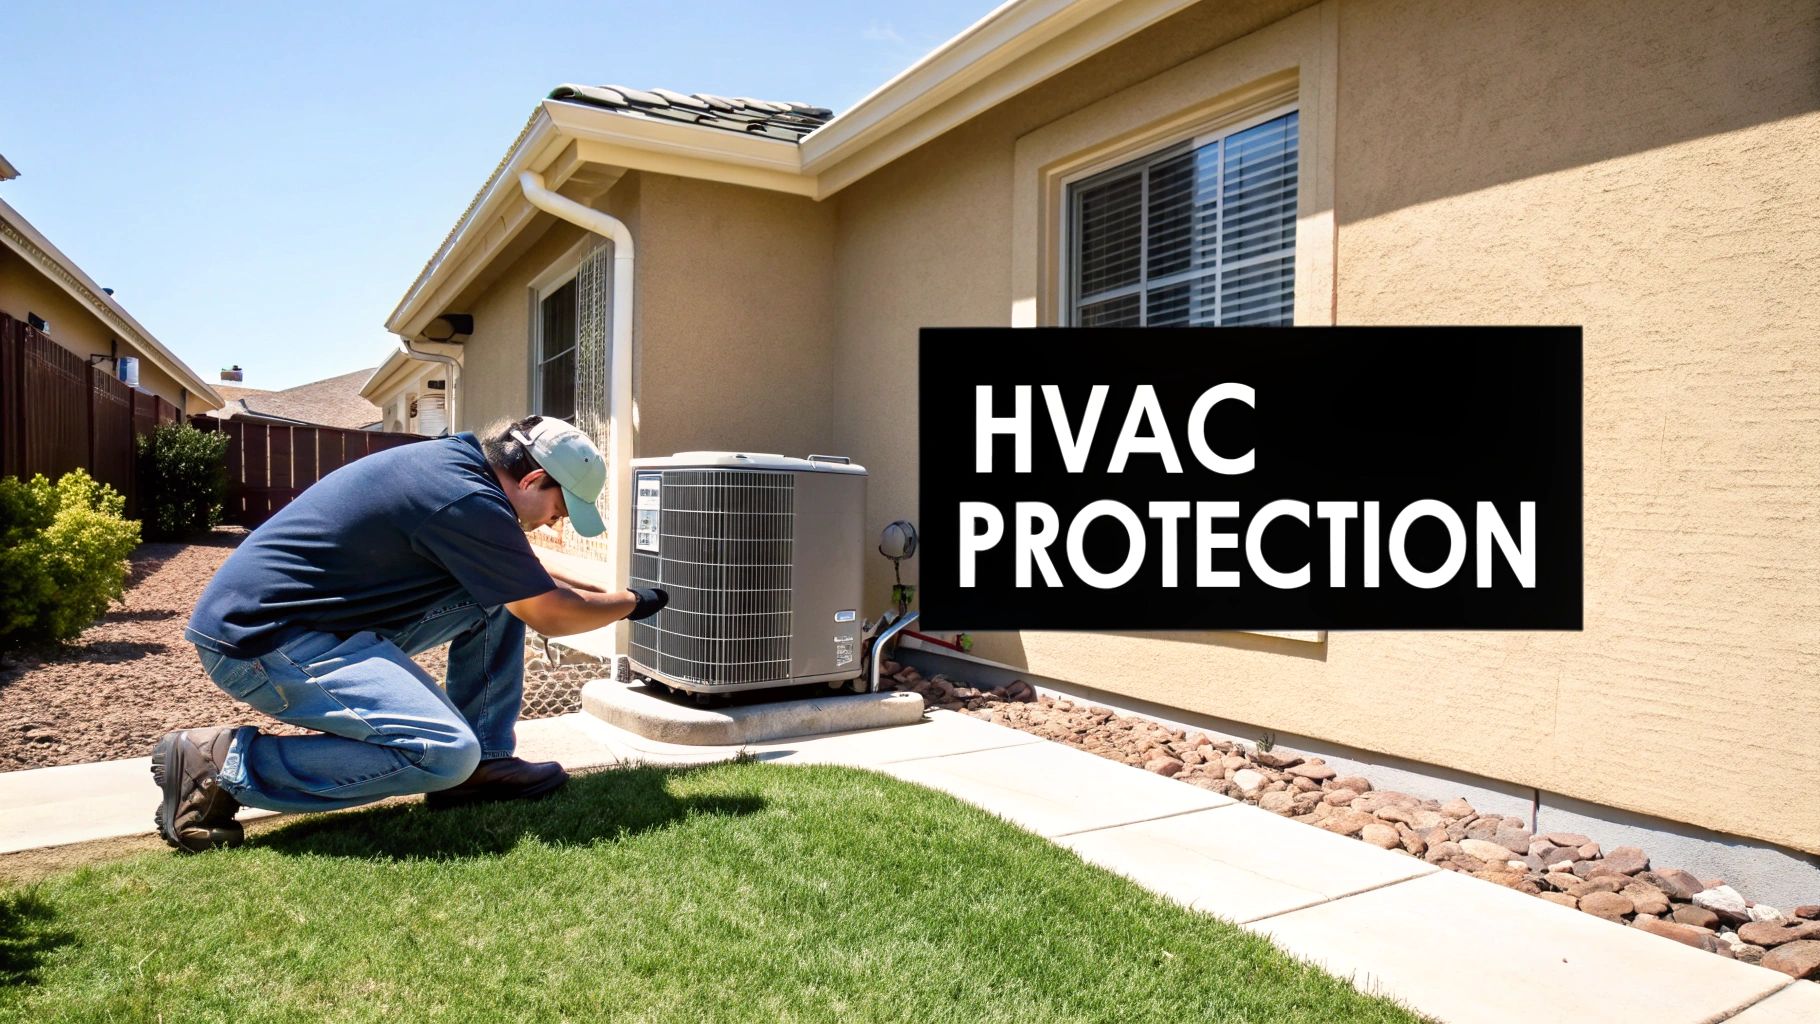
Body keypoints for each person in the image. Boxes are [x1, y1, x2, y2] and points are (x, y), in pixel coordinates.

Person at [155, 415, 667, 854]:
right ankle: (221, 766)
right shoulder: (466, 499)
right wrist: (635, 602)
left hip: (313, 624)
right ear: (533, 479)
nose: (555, 525)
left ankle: (482, 769)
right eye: (558, 510)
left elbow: (526, 584)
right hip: (263, 643)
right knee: (443, 751)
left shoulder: (457, 468)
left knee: (502, 599)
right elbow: (552, 614)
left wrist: (597, 590)